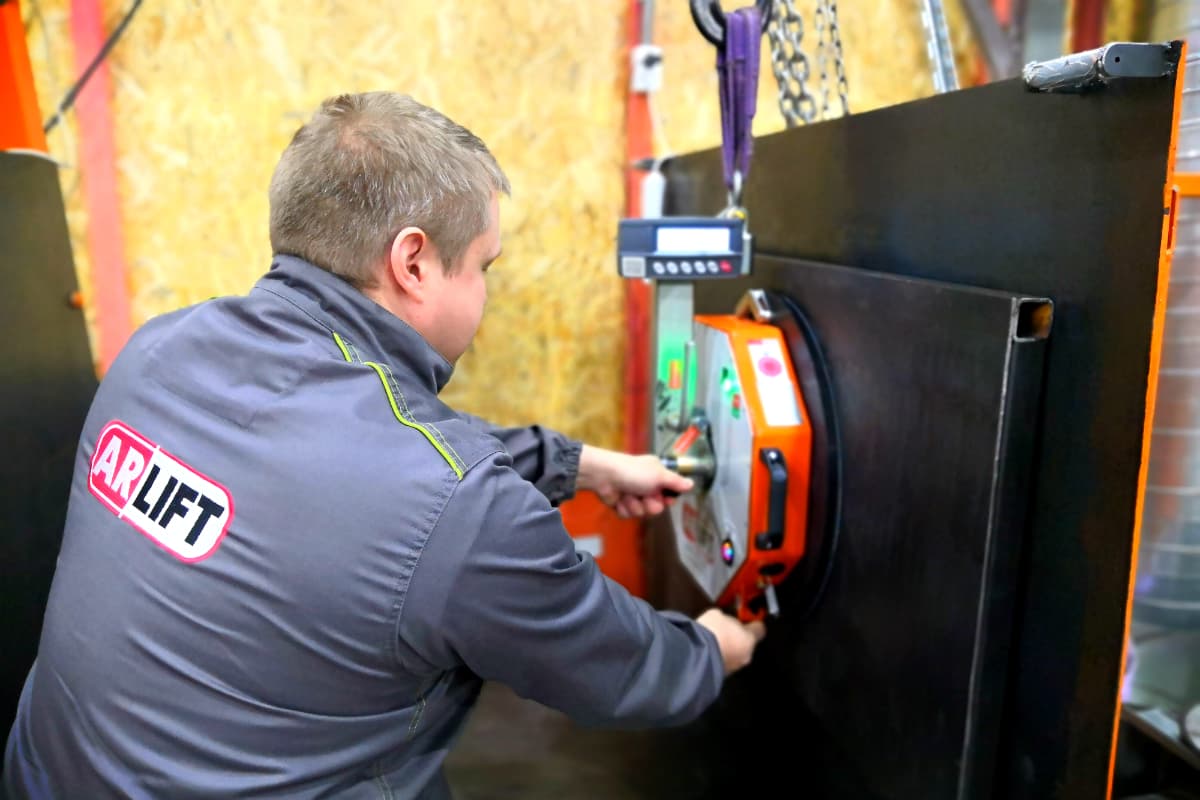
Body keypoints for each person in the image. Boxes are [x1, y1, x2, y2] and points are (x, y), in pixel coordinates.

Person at [3, 91, 766, 799]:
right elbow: (616, 669)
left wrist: (580, 466)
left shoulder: (157, 353)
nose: (485, 291)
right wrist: (711, 648)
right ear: (413, 262)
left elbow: (365, 466)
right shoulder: (460, 507)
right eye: (484, 267)